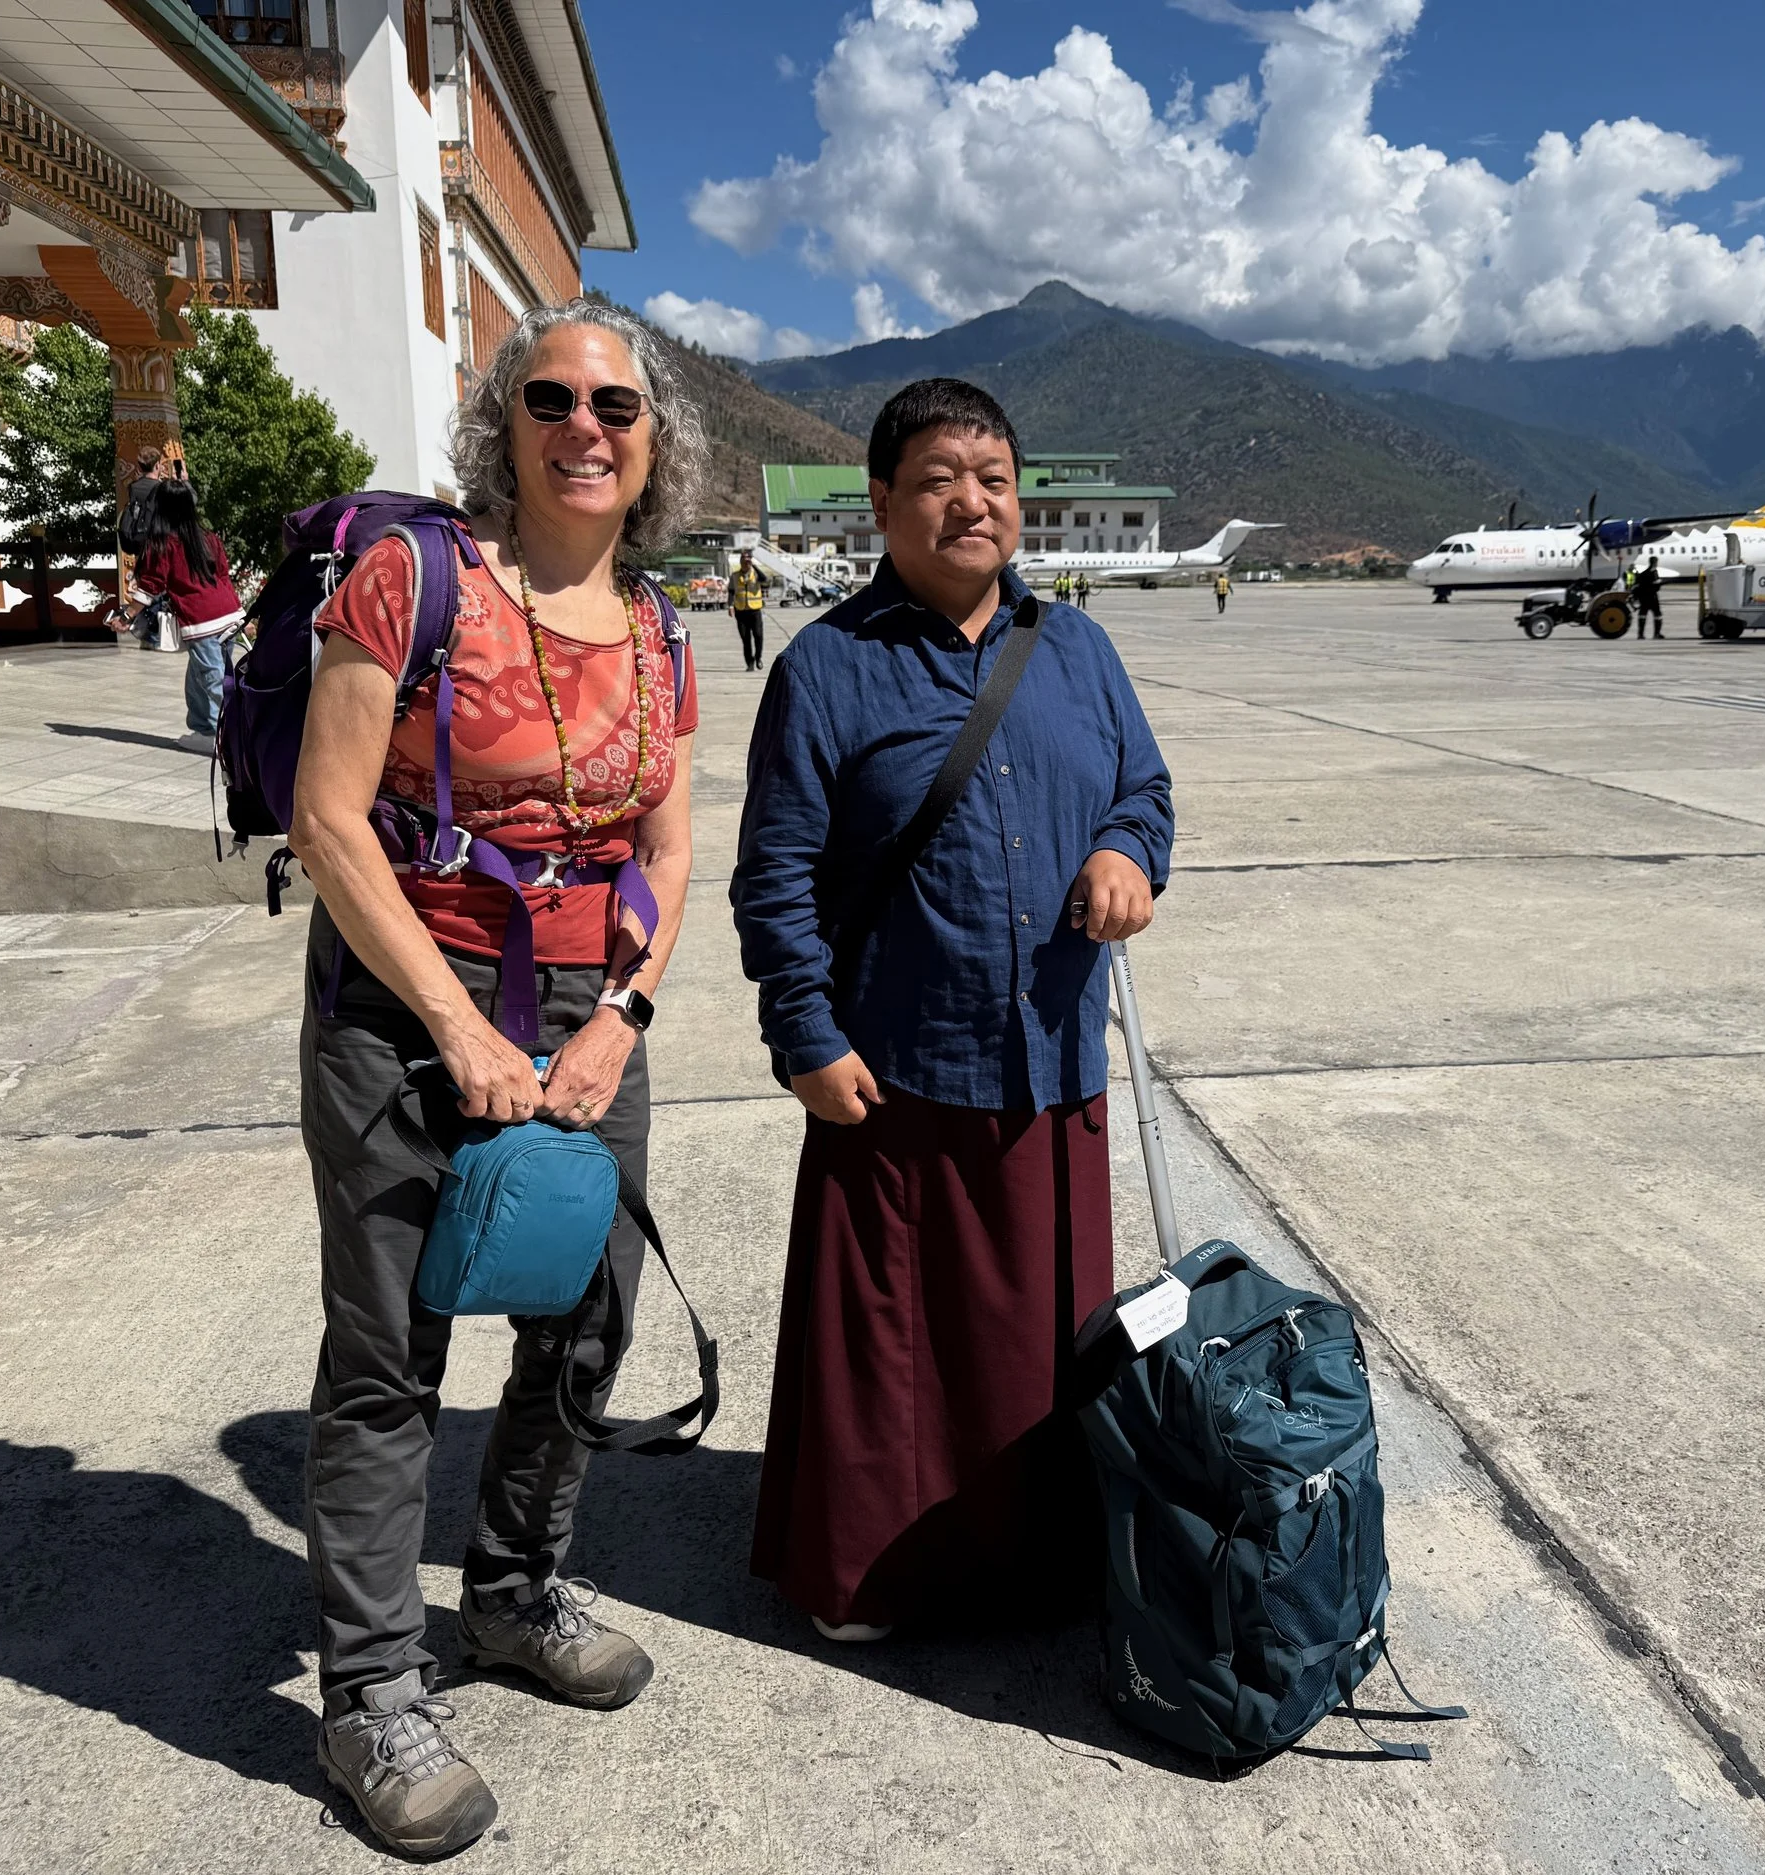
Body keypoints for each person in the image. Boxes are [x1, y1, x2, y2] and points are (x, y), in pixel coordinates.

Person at [286, 299, 705, 1858]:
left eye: (618, 403)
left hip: (594, 1004)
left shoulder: (661, 627)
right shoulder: (415, 581)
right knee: (394, 1348)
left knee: (588, 1314)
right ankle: (373, 1689)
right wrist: (461, 1033)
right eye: (553, 396)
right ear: (506, 422)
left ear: (656, 440)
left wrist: (625, 1018)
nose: (585, 425)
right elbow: (330, 821)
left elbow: (669, 845)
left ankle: (518, 1588)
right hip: (411, 1000)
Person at [733, 378, 1174, 1643]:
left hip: (1050, 1060)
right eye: (937, 478)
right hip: (897, 1069)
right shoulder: (829, 668)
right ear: (881, 504)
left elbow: (1142, 789)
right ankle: (876, 1579)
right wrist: (803, 1034)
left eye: (992, 476)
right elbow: (776, 873)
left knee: (1041, 1344)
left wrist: (1127, 855)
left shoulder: (1078, 646)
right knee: (895, 1356)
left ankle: (1037, 1566)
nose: (971, 500)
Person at [132, 478, 244, 752]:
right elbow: (223, 574)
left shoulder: (164, 545)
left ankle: (240, 736)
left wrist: (127, 615)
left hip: (201, 621)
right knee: (199, 676)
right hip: (228, 613)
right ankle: (203, 727)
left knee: (213, 677)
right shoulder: (208, 538)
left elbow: (150, 584)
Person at [728, 547, 767, 671]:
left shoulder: (755, 574)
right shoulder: (735, 576)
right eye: (744, 559)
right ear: (740, 561)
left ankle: (758, 658)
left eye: (748, 559)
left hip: (755, 611)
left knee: (758, 636)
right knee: (746, 639)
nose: (746, 561)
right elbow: (731, 592)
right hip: (741, 611)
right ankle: (749, 663)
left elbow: (764, 579)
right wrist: (730, 606)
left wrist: (753, 566)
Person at [1633, 558, 1663, 639]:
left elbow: (1638, 584)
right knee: (1658, 615)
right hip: (1652, 597)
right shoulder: (1654, 572)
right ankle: (1656, 634)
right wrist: (1658, 583)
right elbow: (1656, 586)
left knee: (1642, 614)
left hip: (1643, 597)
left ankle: (1640, 634)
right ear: (1655, 562)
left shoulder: (1643, 573)